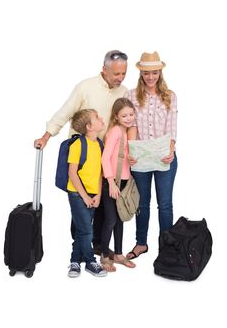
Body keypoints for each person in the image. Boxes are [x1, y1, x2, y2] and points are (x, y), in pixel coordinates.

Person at [34, 50, 128, 256]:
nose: (120, 78)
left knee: (103, 204)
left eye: (124, 74)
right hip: (84, 156)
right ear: (104, 70)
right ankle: (79, 245)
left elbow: (127, 119)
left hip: (108, 158)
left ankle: (97, 245)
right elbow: (65, 112)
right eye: (116, 74)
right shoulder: (85, 87)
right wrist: (46, 137)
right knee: (81, 201)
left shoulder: (123, 92)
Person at [125, 51, 178, 260]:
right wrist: (129, 152)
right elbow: (129, 124)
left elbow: (172, 128)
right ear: (141, 73)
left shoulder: (170, 95)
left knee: (165, 204)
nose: (150, 77)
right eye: (147, 73)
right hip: (140, 157)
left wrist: (171, 150)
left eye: (154, 72)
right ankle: (141, 243)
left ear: (160, 72)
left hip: (165, 155)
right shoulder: (130, 95)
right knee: (142, 203)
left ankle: (166, 246)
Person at [67, 108, 107, 277]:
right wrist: (84, 196)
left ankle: (75, 261)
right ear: (89, 126)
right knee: (87, 231)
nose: (101, 118)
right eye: (97, 117)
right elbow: (72, 173)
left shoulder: (98, 143)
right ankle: (91, 262)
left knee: (80, 230)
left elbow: (99, 172)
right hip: (77, 194)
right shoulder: (77, 144)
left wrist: (97, 195)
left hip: (92, 195)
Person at [101, 98, 136, 271]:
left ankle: (119, 253)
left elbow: (123, 158)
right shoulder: (115, 131)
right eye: (124, 115)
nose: (129, 118)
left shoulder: (128, 132)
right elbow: (105, 158)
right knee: (110, 220)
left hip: (124, 181)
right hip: (111, 183)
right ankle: (105, 255)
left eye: (131, 114)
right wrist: (110, 182)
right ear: (116, 116)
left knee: (120, 219)